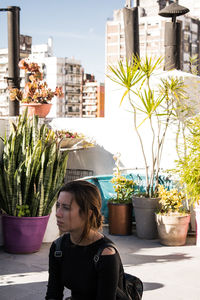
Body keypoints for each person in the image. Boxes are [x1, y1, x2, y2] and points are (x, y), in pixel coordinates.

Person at [45, 180, 124, 300]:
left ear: (88, 213)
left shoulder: (106, 254)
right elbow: (53, 294)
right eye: (58, 206)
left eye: (66, 208)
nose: (58, 214)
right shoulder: (58, 248)